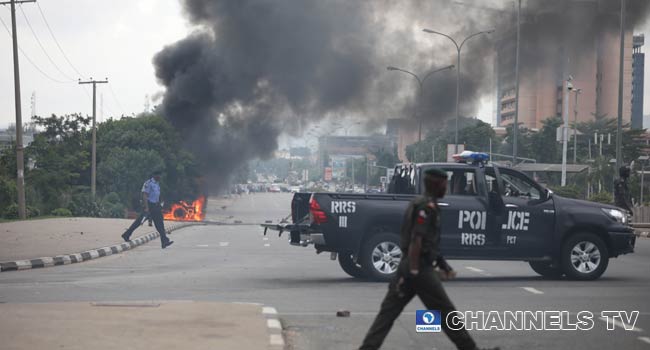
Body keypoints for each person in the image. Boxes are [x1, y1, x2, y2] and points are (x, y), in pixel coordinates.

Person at [358, 168, 498, 350]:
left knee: (388, 314)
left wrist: (442, 265)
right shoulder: (426, 208)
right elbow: (417, 239)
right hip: (419, 269)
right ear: (435, 184)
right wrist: (415, 271)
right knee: (447, 312)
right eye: (444, 184)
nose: (446, 188)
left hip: (408, 268)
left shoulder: (418, 203)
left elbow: (428, 242)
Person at [121, 170, 174, 249]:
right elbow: (145, 195)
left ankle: (164, 241)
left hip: (156, 206)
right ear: (154, 175)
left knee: (160, 224)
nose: (160, 177)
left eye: (160, 175)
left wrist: (159, 203)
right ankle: (126, 234)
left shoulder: (157, 184)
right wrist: (146, 207)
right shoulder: (149, 183)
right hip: (150, 205)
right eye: (159, 175)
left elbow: (157, 195)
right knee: (139, 222)